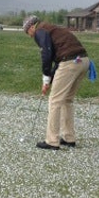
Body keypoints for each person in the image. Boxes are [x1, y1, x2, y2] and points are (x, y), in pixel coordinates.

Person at [23, 16, 90, 150]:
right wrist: (49, 79)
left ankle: (52, 141)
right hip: (83, 61)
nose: (30, 36)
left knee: (55, 101)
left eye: (28, 33)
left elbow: (47, 55)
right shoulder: (52, 29)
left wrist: (46, 78)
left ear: (31, 27)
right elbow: (57, 59)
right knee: (67, 100)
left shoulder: (40, 31)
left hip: (69, 62)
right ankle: (69, 138)